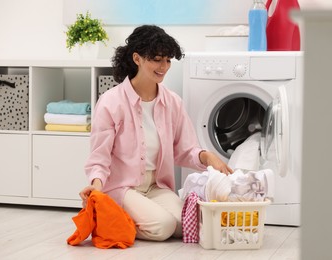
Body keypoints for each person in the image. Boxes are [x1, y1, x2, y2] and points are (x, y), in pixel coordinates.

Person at [79, 25, 233, 242]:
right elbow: (99, 157)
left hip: (156, 186)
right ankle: (108, 217)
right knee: (163, 227)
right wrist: (96, 188)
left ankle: (127, 218)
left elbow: (184, 150)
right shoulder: (111, 102)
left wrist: (207, 157)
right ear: (137, 58)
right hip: (122, 187)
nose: (164, 66)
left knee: (187, 224)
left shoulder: (172, 102)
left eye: (168, 60)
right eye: (157, 59)